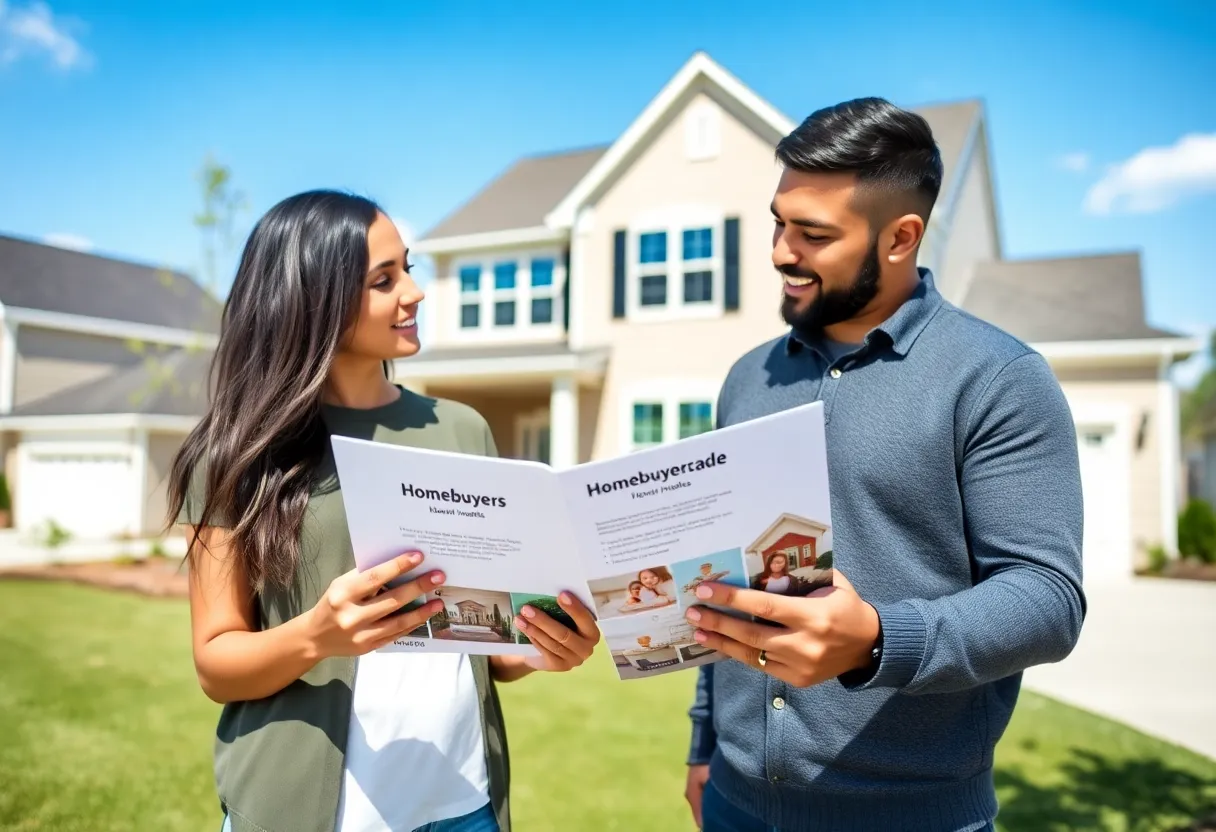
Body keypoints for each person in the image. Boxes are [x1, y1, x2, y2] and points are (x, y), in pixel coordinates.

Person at [681, 98, 1085, 832]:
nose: (779, 251)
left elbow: (1047, 600)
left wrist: (874, 638)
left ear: (902, 238)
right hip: (735, 801)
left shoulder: (996, 378)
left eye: (812, 234)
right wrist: (703, 744)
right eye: (779, 221)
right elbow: (726, 578)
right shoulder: (747, 379)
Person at [167, 190, 600, 832]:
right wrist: (317, 635)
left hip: (463, 808)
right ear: (313, 300)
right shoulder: (237, 453)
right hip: (307, 813)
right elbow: (216, 664)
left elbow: (487, 645)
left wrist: (542, 648)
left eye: (409, 268)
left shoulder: (462, 429)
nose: (415, 293)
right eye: (383, 280)